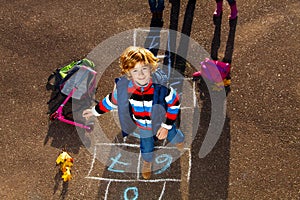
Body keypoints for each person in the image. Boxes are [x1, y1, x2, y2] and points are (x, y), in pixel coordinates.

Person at [82, 46, 185, 180]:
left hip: (162, 121)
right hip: (143, 126)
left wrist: (166, 126)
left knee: (174, 135)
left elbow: (174, 104)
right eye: (135, 70)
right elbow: (111, 101)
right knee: (146, 147)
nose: (141, 74)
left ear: (151, 69)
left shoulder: (161, 88)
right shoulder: (125, 89)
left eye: (144, 69)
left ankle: (179, 142)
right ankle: (147, 161)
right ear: (129, 73)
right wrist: (94, 111)